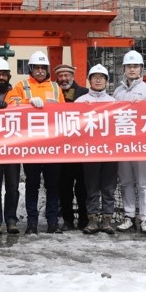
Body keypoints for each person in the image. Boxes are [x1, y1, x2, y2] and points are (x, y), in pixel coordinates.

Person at [11, 51, 62, 234]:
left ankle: (53, 222)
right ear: (31, 69)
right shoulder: (21, 86)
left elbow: (63, 113)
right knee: (32, 184)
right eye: (37, 68)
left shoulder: (56, 88)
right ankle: (32, 223)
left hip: (51, 145)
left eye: (43, 68)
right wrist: (27, 101)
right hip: (31, 144)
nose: (40, 71)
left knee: (53, 185)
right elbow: (11, 105)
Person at [112, 51, 146, 234]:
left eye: (135, 66)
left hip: (142, 145)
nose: (132, 69)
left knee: (144, 182)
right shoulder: (118, 91)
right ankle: (129, 216)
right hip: (123, 144)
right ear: (124, 69)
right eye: (129, 66)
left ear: (141, 69)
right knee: (126, 182)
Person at [76, 64, 117, 235]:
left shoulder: (115, 103)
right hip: (89, 152)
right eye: (94, 77)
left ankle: (107, 220)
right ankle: (92, 220)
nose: (98, 80)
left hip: (110, 152)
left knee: (109, 187)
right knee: (91, 187)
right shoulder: (80, 102)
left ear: (107, 81)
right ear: (89, 80)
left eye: (102, 77)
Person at [0, 58, 22, 234]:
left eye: (4, 74)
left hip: (12, 148)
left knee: (12, 186)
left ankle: (11, 219)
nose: (1, 77)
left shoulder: (17, 93)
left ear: (9, 76)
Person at [55, 62, 89, 231]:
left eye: (66, 75)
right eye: (60, 76)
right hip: (60, 149)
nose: (63, 79)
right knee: (64, 186)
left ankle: (84, 218)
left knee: (82, 186)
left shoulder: (84, 93)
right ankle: (67, 219)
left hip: (80, 147)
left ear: (73, 77)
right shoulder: (53, 93)